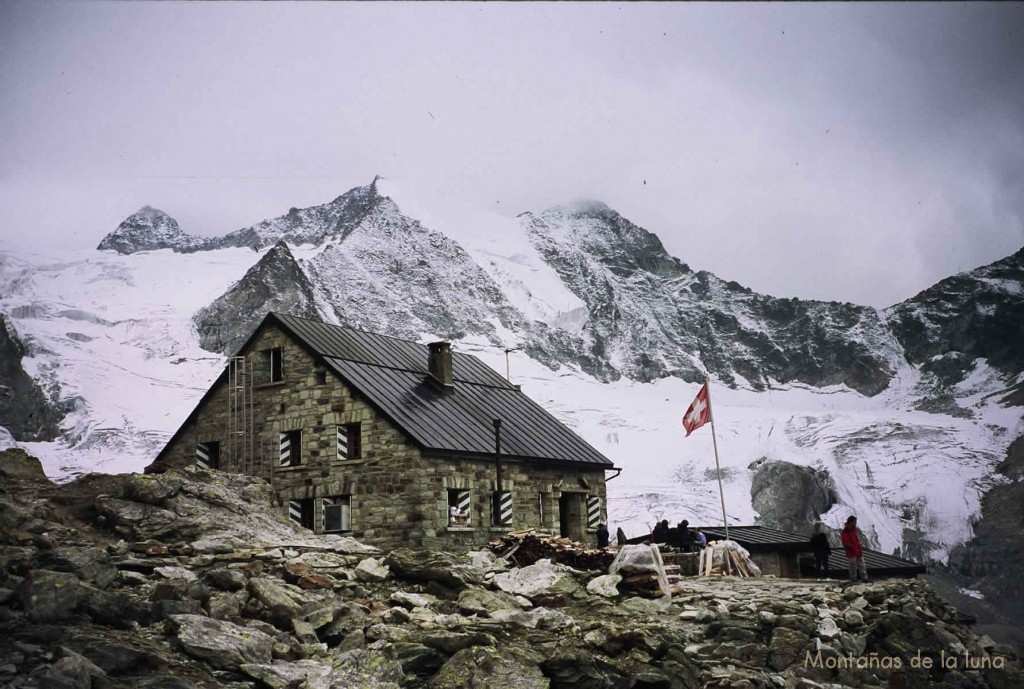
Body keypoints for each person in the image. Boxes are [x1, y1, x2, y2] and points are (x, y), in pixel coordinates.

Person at [840, 515, 869, 583]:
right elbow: (845, 542)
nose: (856, 523)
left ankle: (864, 577)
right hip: (852, 551)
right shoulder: (846, 531)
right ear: (851, 522)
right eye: (854, 521)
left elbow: (855, 540)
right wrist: (852, 548)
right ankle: (854, 578)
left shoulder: (853, 530)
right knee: (853, 565)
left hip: (856, 550)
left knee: (861, 564)